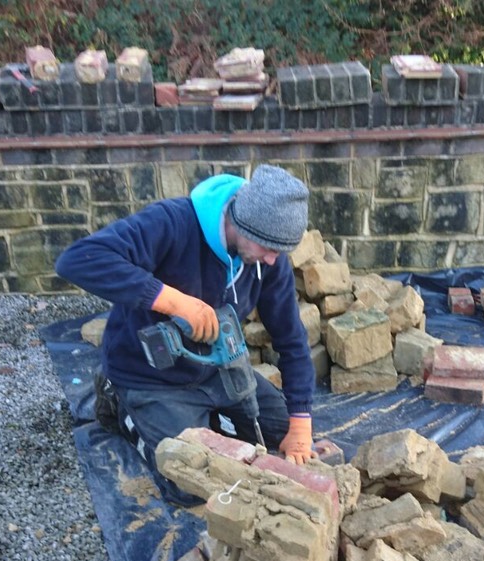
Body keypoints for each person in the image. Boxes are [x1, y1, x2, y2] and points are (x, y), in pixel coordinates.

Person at [55, 164, 316, 481]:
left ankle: (205, 422)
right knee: (190, 479)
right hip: (151, 377)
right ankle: (119, 403)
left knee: (282, 434)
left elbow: (291, 338)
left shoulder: (268, 261)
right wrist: (172, 300)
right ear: (243, 225)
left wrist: (300, 422)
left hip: (219, 368)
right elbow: (78, 259)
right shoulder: (172, 223)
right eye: (269, 248)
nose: (274, 260)